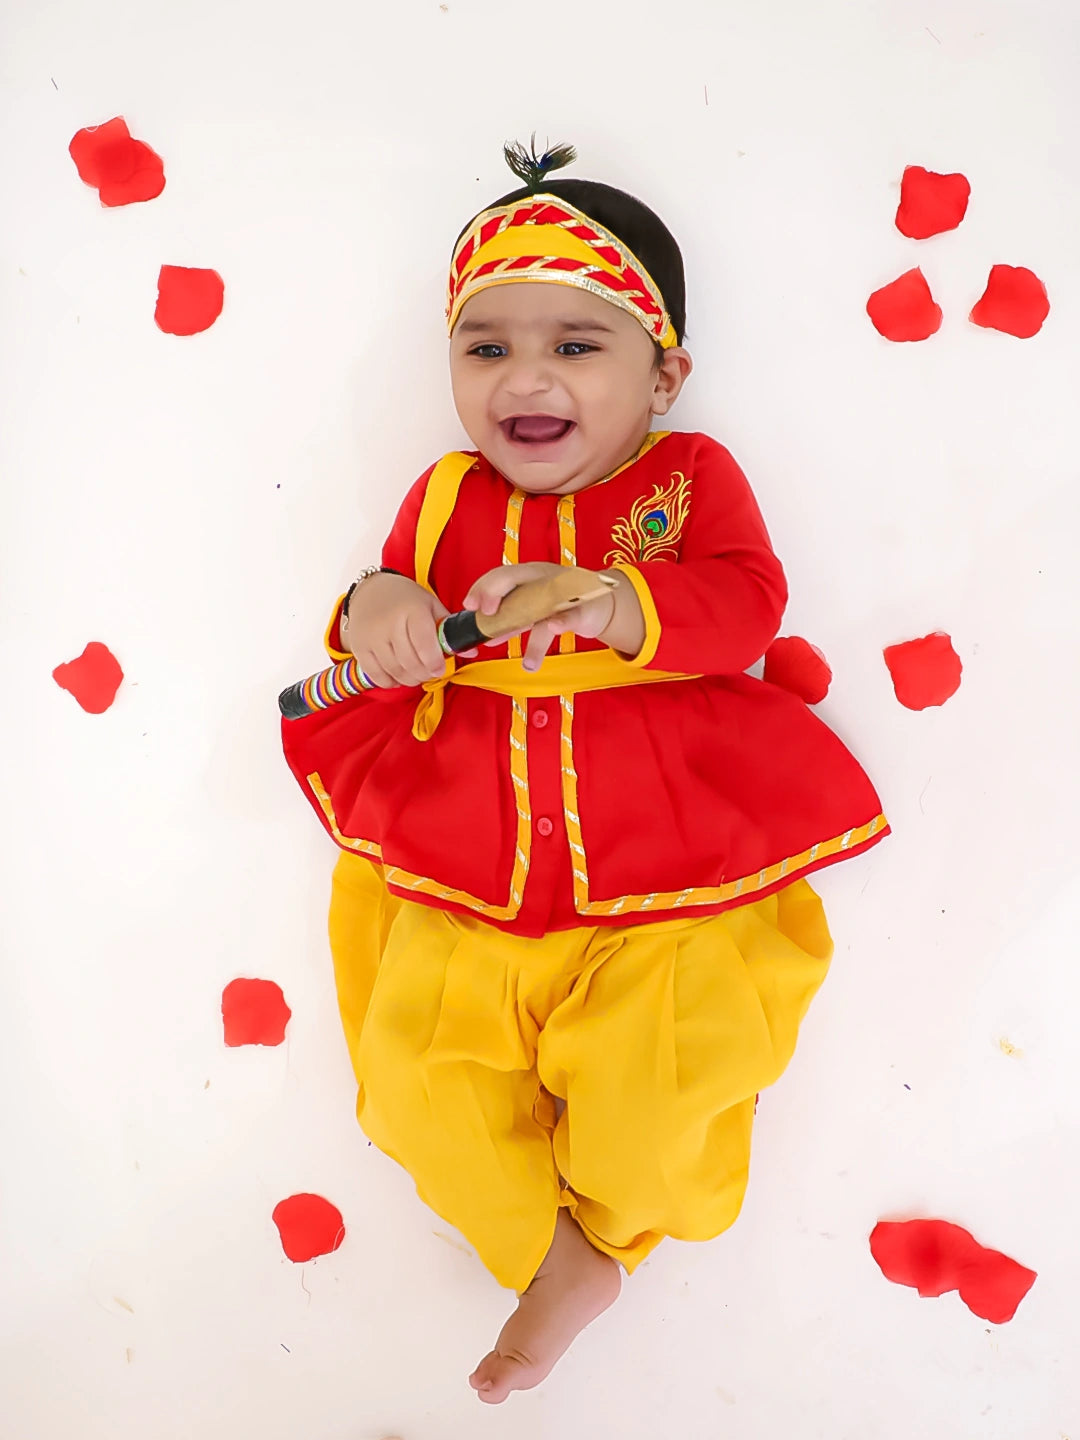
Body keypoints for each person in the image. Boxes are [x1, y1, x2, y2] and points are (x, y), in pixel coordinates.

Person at [281, 140, 888, 1405]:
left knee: (663, 1095)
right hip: (470, 877)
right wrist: (377, 605)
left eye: (576, 344)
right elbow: (383, 608)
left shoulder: (688, 480)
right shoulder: (444, 496)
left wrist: (611, 600)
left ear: (663, 376)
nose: (526, 377)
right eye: (486, 347)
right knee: (413, 1094)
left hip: (668, 883)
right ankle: (559, 1258)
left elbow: (747, 603)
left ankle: (607, 1235)